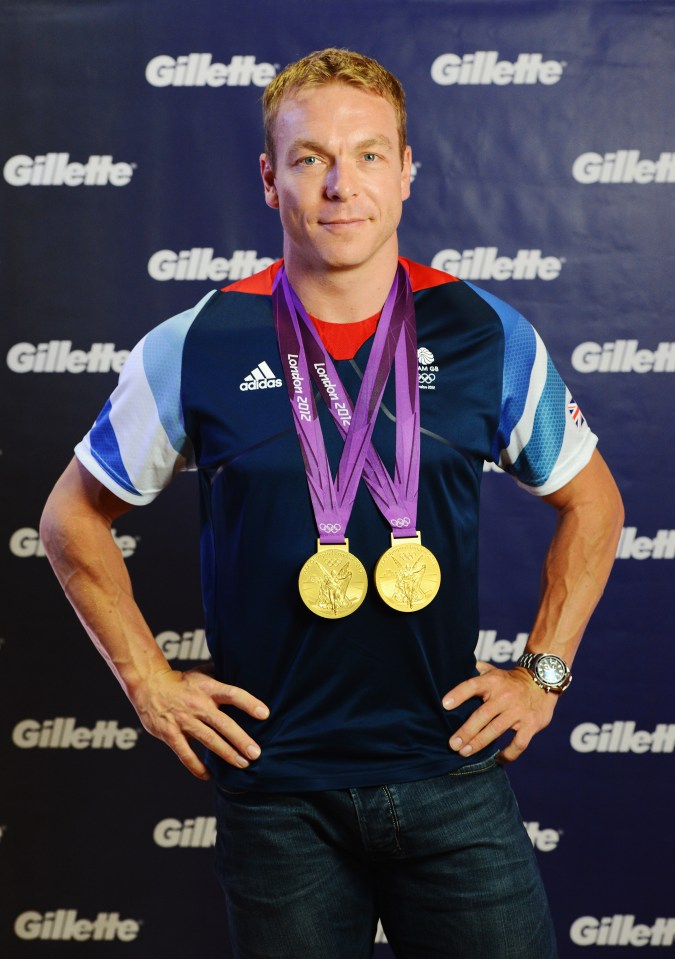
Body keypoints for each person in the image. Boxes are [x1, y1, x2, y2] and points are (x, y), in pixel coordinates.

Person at [41, 48, 624, 959]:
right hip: (278, 795)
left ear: (405, 173)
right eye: (310, 157)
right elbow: (68, 517)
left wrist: (541, 672)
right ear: (270, 179)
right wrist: (147, 682)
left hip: (451, 775)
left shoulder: (482, 331)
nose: (339, 184)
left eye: (367, 155)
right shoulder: (195, 341)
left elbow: (593, 502)